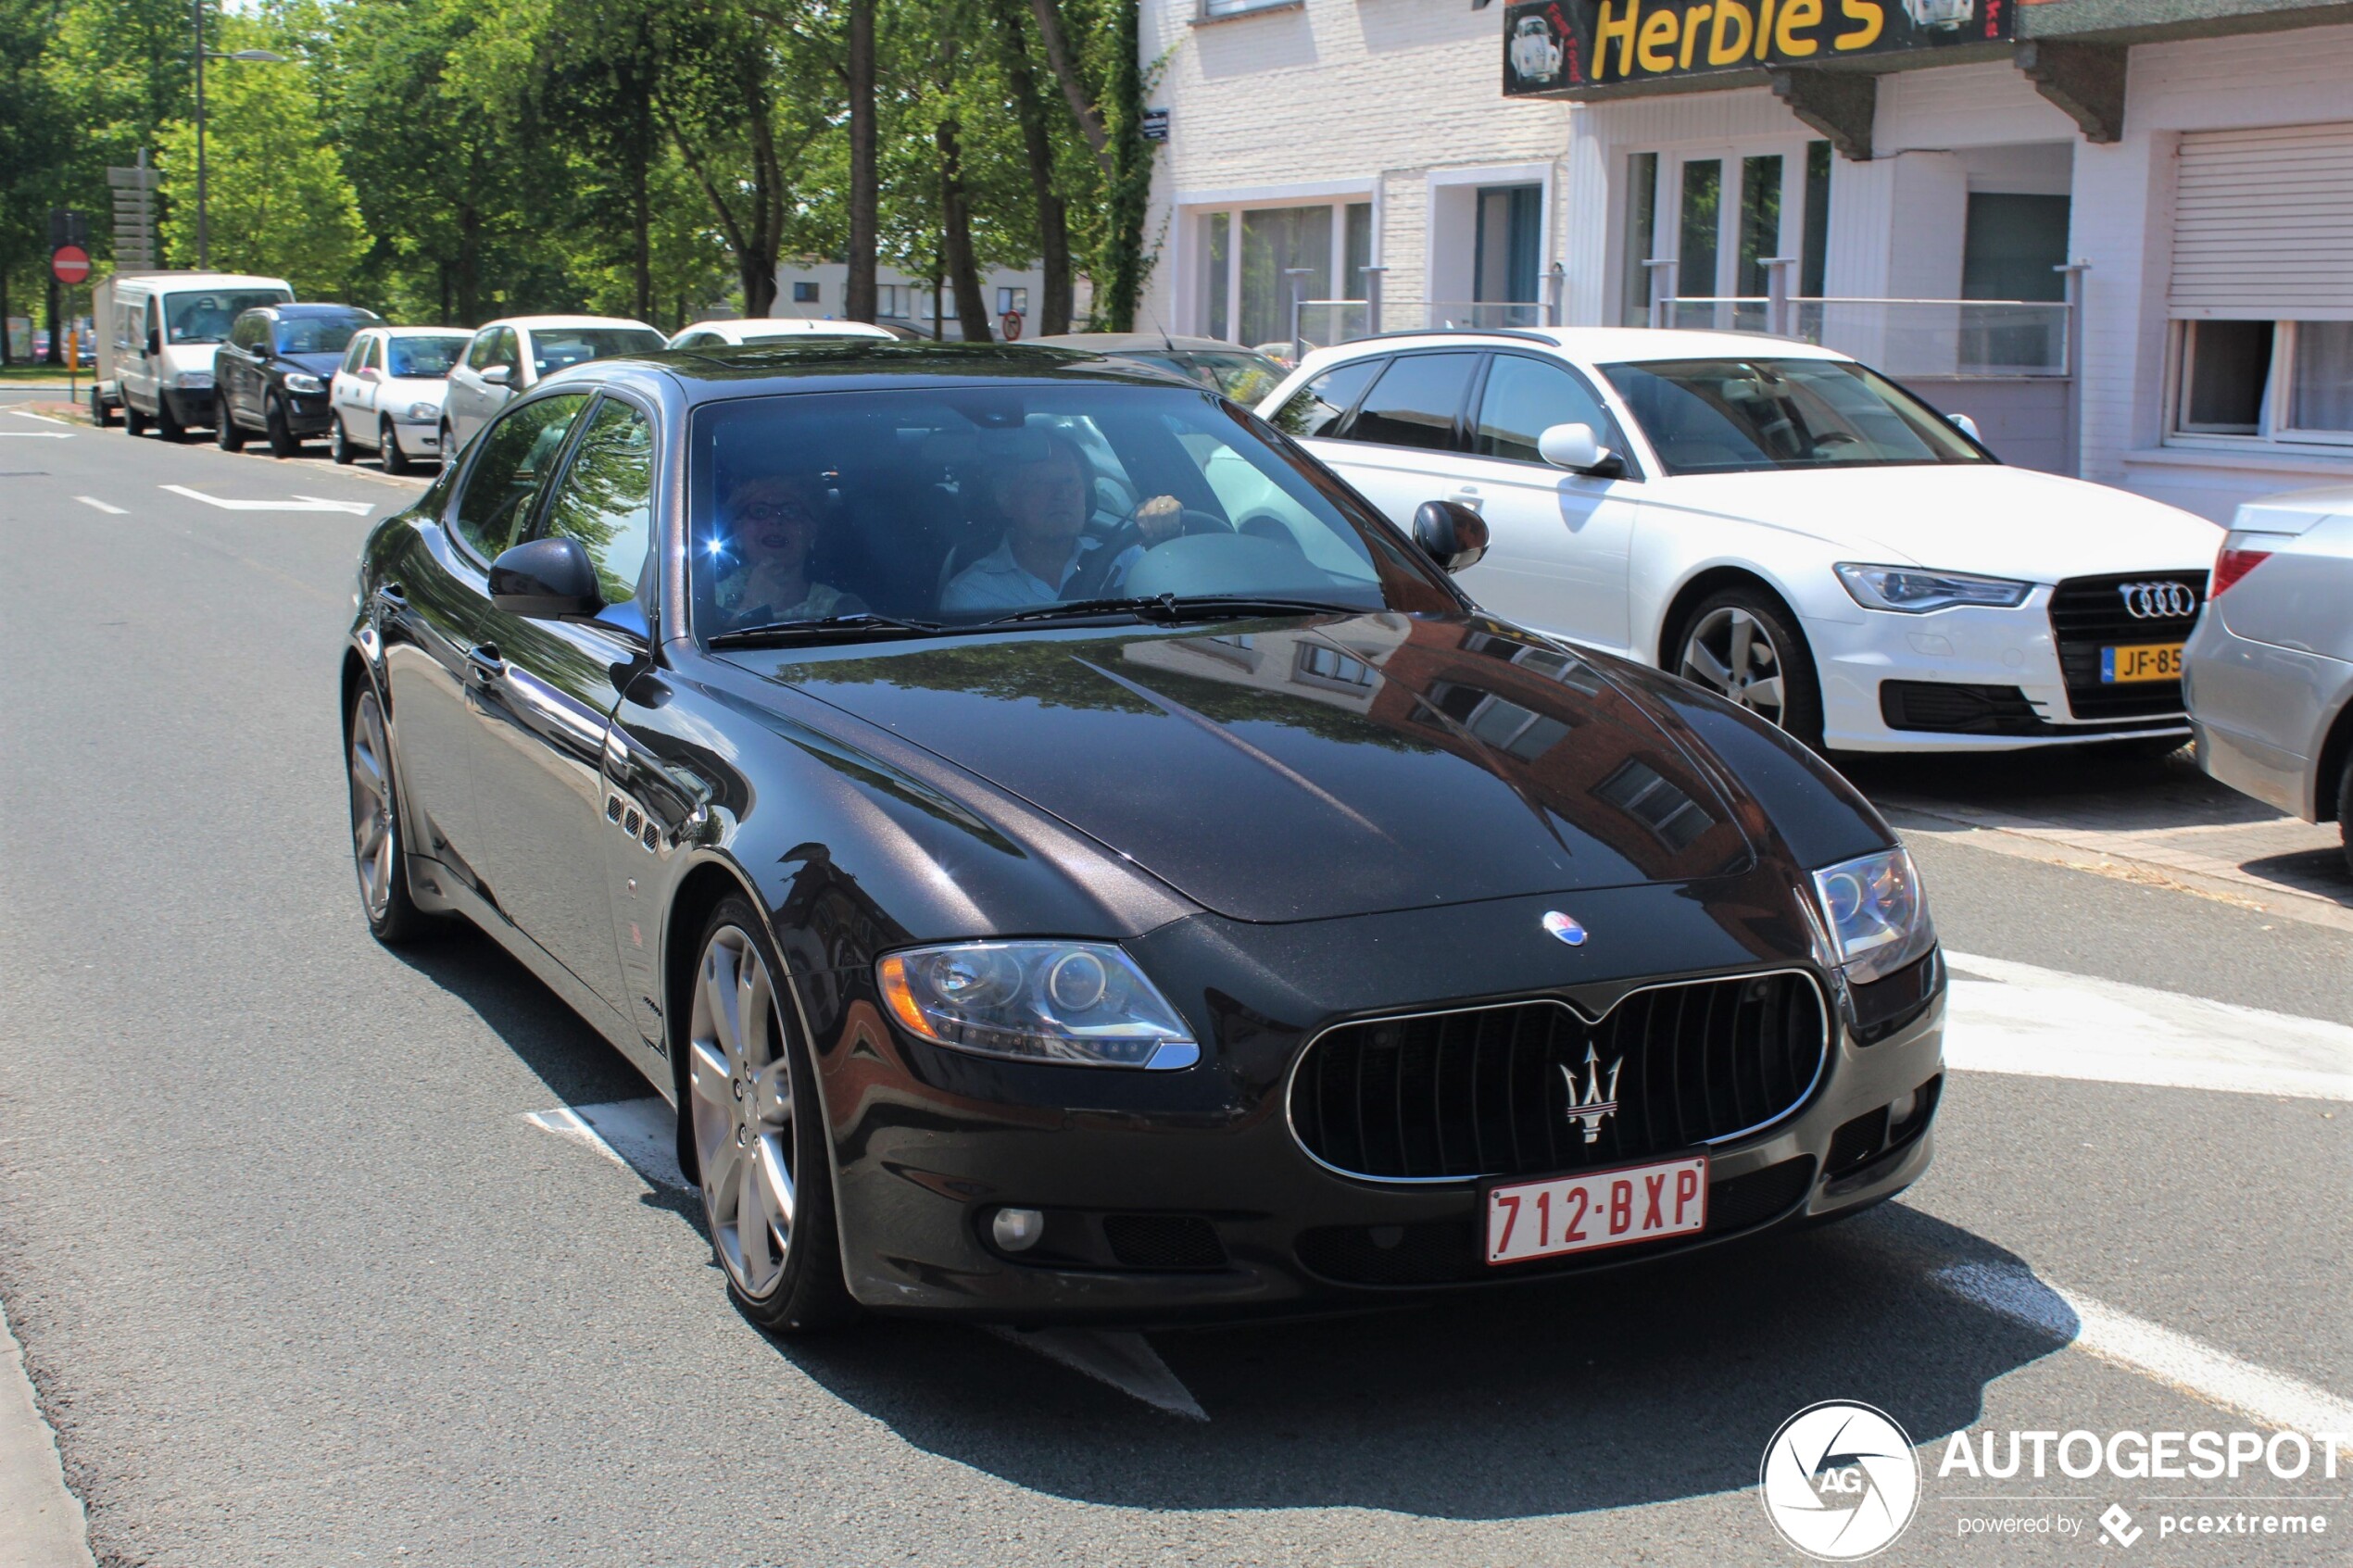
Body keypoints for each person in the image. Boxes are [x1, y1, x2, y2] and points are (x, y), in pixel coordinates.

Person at [939, 432, 1185, 614]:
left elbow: (1184, 605)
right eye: (1040, 483)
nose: (1061, 494)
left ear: (1086, 492)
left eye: (1069, 482)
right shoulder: (974, 595)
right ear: (1006, 500)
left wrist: (1166, 532)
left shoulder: (1125, 559)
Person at [711, 473, 866, 629]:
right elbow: (705, 652)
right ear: (738, 531)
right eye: (759, 511)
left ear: (812, 531)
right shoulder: (703, 602)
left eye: (790, 511)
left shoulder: (844, 610)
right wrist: (752, 605)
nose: (775, 520)